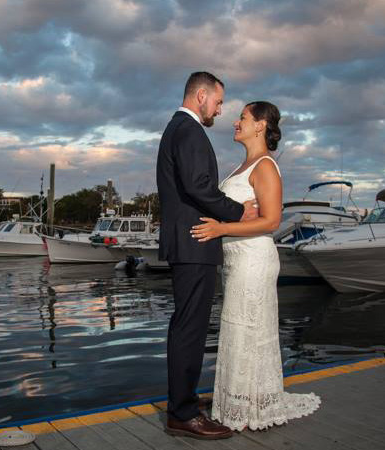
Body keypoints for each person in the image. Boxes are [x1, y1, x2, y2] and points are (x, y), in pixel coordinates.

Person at [191, 101, 321, 431]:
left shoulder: (264, 166)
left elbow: (272, 221)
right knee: (237, 328)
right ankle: (238, 401)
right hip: (235, 260)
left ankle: (253, 404)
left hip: (254, 259)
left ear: (261, 125)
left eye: (243, 118)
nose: (236, 122)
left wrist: (221, 228)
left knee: (249, 329)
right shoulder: (242, 166)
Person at [156, 71, 258, 440]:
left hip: (189, 241)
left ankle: (183, 400)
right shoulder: (189, 130)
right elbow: (198, 186)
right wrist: (237, 212)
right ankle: (182, 414)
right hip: (194, 241)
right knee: (189, 328)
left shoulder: (178, 129)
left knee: (188, 326)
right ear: (201, 96)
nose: (219, 108)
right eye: (217, 100)